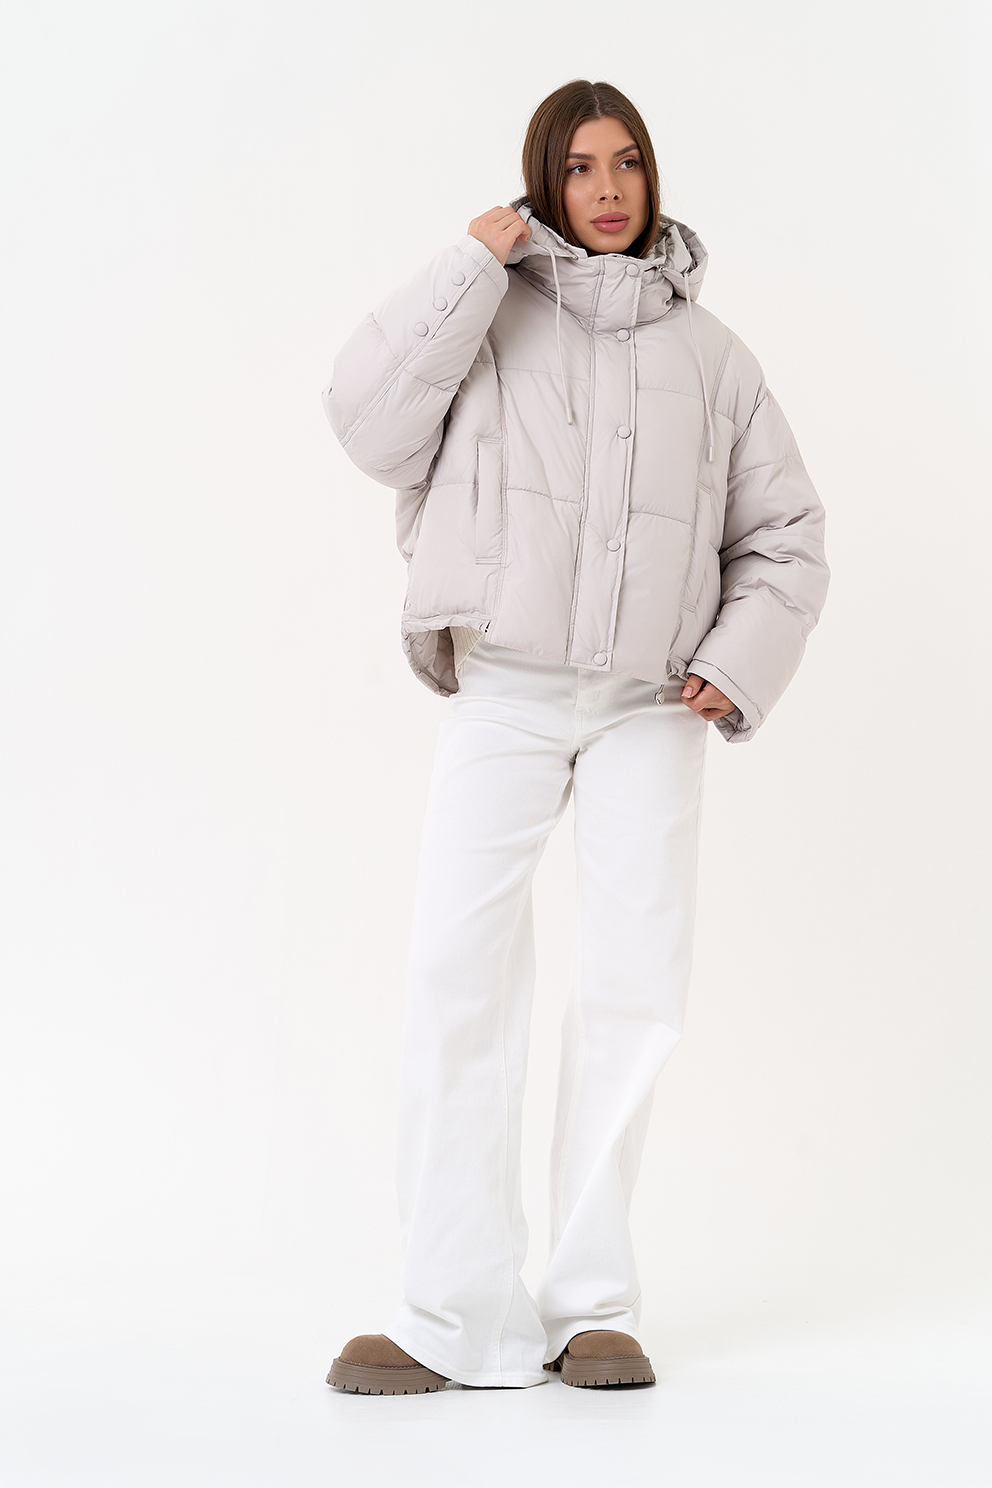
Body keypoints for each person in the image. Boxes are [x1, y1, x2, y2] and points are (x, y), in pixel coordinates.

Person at [320, 79, 829, 1395]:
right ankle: (452, 1314)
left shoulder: (714, 358)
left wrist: (735, 663)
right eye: (582, 166)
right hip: (504, 688)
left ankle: (593, 1304)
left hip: (651, 706)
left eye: (629, 164)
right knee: (457, 971)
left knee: (633, 987)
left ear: (652, 180)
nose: (608, 189)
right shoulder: (487, 311)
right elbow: (368, 425)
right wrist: (465, 266)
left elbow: (786, 534)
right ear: (543, 181)